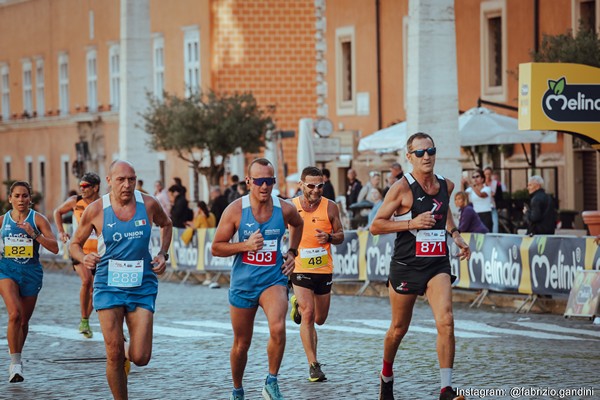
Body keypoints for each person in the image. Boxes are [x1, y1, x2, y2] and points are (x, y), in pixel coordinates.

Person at [370, 132, 470, 400]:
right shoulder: (401, 188)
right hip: (407, 265)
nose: (427, 156)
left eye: (431, 151)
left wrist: (456, 235)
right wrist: (410, 223)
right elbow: (376, 225)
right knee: (398, 329)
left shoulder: (446, 185)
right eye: (420, 153)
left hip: (437, 264)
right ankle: (386, 375)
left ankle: (446, 389)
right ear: (409, 157)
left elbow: (444, 211)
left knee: (446, 321)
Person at [69, 160, 173, 400]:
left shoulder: (148, 204)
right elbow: (74, 244)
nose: (127, 185)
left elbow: (166, 224)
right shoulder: (96, 210)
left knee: (141, 357)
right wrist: (84, 257)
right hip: (108, 284)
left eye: (132, 179)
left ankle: (128, 352)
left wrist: (162, 254)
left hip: (141, 285)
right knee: (113, 353)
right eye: (121, 180)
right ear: (109, 181)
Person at [211, 158, 303, 400]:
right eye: (260, 181)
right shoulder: (234, 210)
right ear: (249, 181)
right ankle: (237, 390)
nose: (264, 186)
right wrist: (245, 245)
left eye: (269, 181)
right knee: (242, 343)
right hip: (243, 285)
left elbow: (298, 224)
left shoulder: (283, 208)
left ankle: (271, 382)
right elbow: (216, 247)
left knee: (278, 327)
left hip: (273, 280)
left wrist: (292, 252)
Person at [289, 166, 344, 383]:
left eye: (319, 185)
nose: (316, 190)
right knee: (308, 314)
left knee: (320, 319)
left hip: (323, 269)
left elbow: (341, 235)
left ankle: (297, 305)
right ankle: (313, 365)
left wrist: (329, 238)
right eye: (311, 186)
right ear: (301, 185)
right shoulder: (290, 207)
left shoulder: (330, 207)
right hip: (300, 267)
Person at [0, 181, 59, 383]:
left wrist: (33, 234)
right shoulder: (2, 220)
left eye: (24, 196)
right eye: (16, 196)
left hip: (31, 272)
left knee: (23, 321)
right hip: (6, 270)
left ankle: (16, 351)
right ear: (10, 199)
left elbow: (55, 248)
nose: (21, 200)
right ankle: (15, 364)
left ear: (30, 199)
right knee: (14, 314)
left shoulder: (38, 220)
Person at [53, 172, 102, 338]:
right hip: (79, 249)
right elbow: (57, 212)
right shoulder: (76, 201)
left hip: (99, 253)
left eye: (85, 186)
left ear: (95, 188)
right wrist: (61, 232)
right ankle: (83, 319)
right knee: (87, 280)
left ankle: (86, 320)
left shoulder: (104, 203)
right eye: (80, 186)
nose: (81, 189)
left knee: (97, 289)